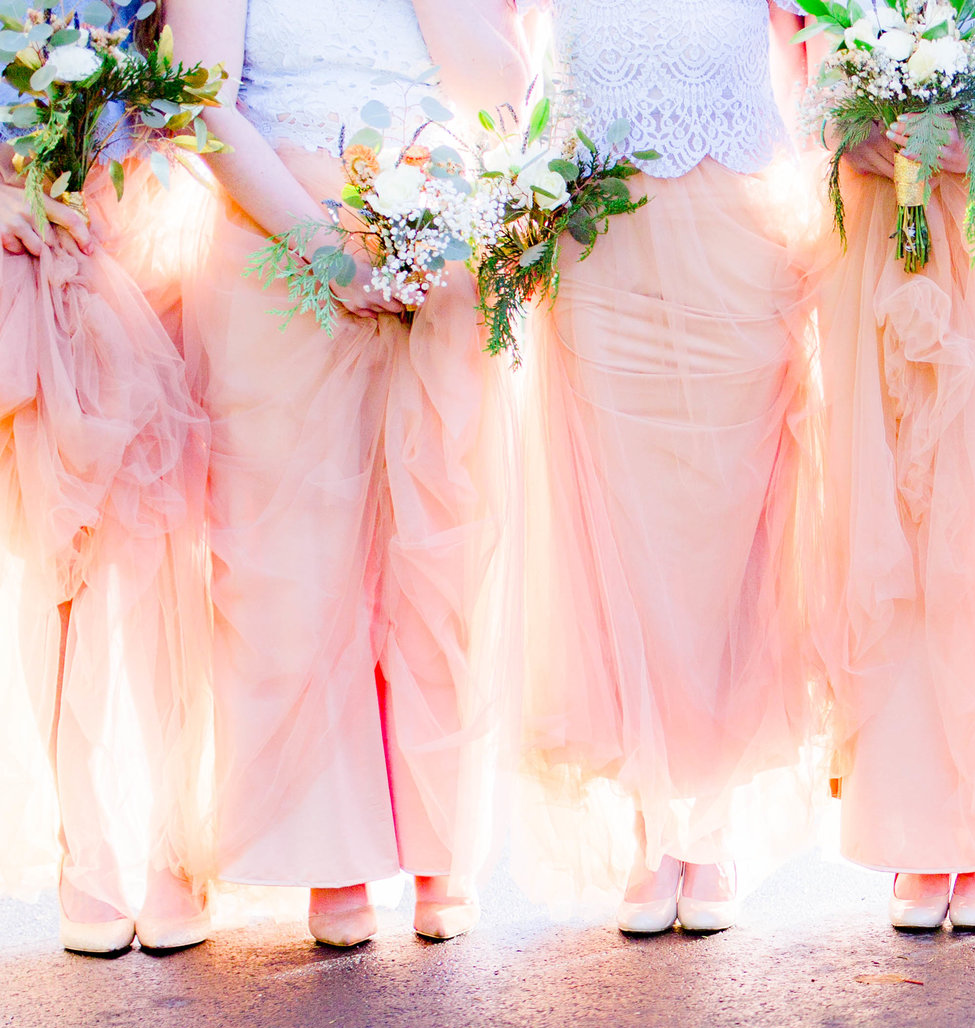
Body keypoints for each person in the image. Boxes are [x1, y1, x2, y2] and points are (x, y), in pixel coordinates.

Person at [169, 0, 526, 948]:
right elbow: (205, 106)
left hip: (430, 259)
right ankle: (332, 850)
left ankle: (439, 844)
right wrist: (320, 248)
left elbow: (502, 89)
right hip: (277, 258)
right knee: (298, 556)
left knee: (434, 544)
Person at [517, 0, 820, 936]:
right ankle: (655, 820)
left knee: (729, 518)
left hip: (737, 226)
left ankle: (711, 821)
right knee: (625, 517)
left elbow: (812, 55)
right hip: (598, 242)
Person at [809, 0, 975, 934]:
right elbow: (813, 82)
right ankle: (914, 821)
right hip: (884, 242)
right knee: (892, 524)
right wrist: (859, 136)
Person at [0, 17, 216, 956]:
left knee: (170, 544)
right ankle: (82, 849)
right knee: (62, 555)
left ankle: (178, 844)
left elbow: (205, 71)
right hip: (31, 250)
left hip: (147, 238)